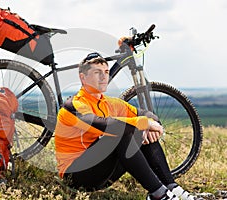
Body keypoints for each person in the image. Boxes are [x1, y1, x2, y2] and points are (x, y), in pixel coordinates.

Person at [54, 52, 198, 200]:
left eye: (106, 72)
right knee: (122, 132)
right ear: (82, 77)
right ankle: (158, 195)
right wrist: (144, 123)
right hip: (77, 176)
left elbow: (148, 114)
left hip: (104, 172)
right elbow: (103, 124)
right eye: (97, 73)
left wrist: (151, 124)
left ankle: (171, 187)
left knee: (138, 130)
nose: (104, 77)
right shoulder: (73, 105)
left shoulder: (111, 103)